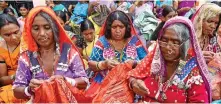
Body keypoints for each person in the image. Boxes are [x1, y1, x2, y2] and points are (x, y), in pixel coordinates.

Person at [12, 6, 89, 102]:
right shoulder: (27, 57)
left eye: (47, 28)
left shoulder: (68, 52)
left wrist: (66, 81)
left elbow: (84, 82)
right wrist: (30, 89)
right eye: (36, 29)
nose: (42, 33)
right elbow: (16, 91)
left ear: (55, 29)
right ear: (29, 31)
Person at [128, 16, 211, 103]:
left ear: (185, 44)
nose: (168, 48)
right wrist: (133, 83)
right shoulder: (155, 58)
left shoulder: (191, 71)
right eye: (164, 40)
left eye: (175, 43)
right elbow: (133, 74)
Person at [87, 10, 147, 102]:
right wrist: (104, 64)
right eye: (114, 27)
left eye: (121, 27)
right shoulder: (103, 42)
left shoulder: (134, 41)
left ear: (126, 27)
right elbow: (91, 63)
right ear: (109, 28)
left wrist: (134, 63)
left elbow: (147, 62)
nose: (118, 31)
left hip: (131, 86)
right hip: (106, 86)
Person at [0, 14, 22, 103]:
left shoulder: (29, 43)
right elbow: (2, 80)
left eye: (16, 32)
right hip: (10, 85)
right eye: (7, 35)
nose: (13, 37)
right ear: (0, 35)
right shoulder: (1, 49)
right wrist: (16, 76)